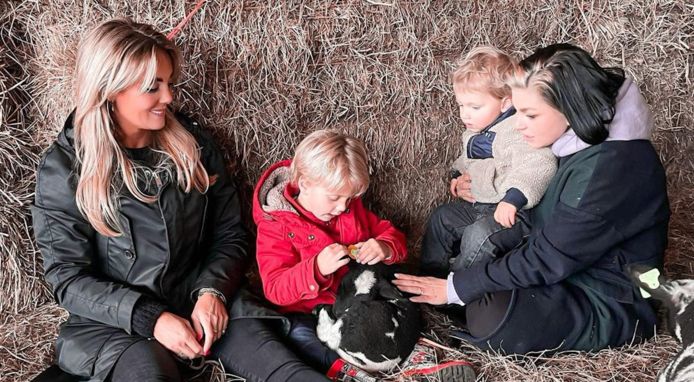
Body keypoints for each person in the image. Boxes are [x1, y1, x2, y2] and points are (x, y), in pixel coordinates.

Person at [31, 18, 334, 382]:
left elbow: (230, 235)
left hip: (201, 303)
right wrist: (149, 317)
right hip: (117, 324)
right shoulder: (64, 168)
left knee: (289, 373)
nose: (169, 97)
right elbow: (67, 277)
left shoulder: (194, 145)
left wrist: (212, 292)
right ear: (110, 90)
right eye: (152, 87)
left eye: (169, 82)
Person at [393, 43, 670, 354]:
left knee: (490, 316)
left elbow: (547, 258)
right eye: (517, 111)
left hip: (607, 295)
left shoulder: (610, 170)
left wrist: (456, 288)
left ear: (569, 107)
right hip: (565, 260)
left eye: (530, 114)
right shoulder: (578, 134)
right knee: (482, 277)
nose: (519, 124)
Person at [253, 130, 475, 381]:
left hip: (361, 296)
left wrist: (384, 246)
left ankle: (417, 359)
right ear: (305, 184)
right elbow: (274, 289)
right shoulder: (276, 226)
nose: (341, 207)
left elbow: (389, 234)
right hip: (316, 310)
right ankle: (352, 371)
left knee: (401, 299)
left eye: (350, 199)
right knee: (299, 337)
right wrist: (315, 268)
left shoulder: (347, 209)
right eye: (335, 198)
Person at [421, 46, 557, 278]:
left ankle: (456, 289)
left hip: (514, 214)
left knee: (479, 235)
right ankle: (429, 275)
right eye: (461, 105)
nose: (465, 114)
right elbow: (466, 160)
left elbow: (538, 163)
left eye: (475, 107)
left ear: (505, 104)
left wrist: (513, 199)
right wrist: (457, 176)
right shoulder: (475, 131)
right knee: (442, 217)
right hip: (481, 207)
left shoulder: (516, 128)